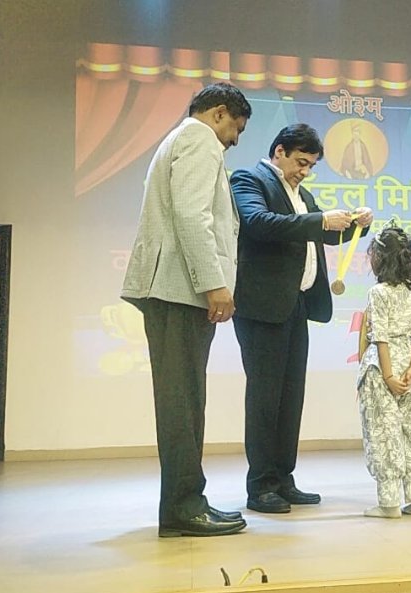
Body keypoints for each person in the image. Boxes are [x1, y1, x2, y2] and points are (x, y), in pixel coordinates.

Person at [119, 83, 251, 537]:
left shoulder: (179, 139)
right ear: (218, 113)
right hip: (179, 290)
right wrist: (214, 283)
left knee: (184, 401)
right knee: (182, 403)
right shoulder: (198, 138)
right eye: (236, 128)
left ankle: (182, 505)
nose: (235, 140)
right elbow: (193, 216)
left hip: (173, 289)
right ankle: (185, 506)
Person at [229, 123, 374, 514]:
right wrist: (321, 220)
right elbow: (258, 224)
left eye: (310, 165)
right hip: (262, 307)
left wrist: (357, 224)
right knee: (265, 398)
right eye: (300, 162)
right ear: (279, 151)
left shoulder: (301, 194)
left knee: (290, 397)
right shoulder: (249, 179)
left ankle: (283, 479)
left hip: (296, 305)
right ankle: (261, 486)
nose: (304, 171)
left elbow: (322, 234)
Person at [356, 223, 411, 519]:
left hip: (383, 372)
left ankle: (389, 502)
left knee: (384, 432)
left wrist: (389, 376)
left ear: (378, 257)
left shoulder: (378, 293)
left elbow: (380, 337)